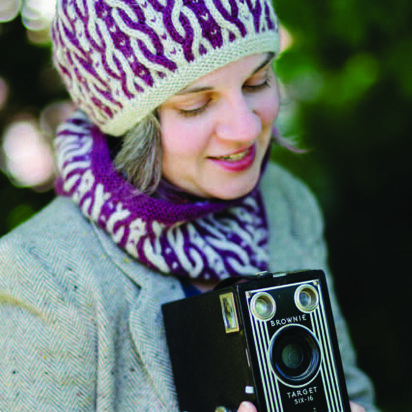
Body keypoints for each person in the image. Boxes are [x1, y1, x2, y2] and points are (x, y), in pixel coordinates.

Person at [0, 0, 379, 411]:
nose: (246, 128)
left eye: (257, 82)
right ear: (132, 126)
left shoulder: (285, 201)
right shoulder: (43, 274)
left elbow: (350, 392)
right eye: (195, 106)